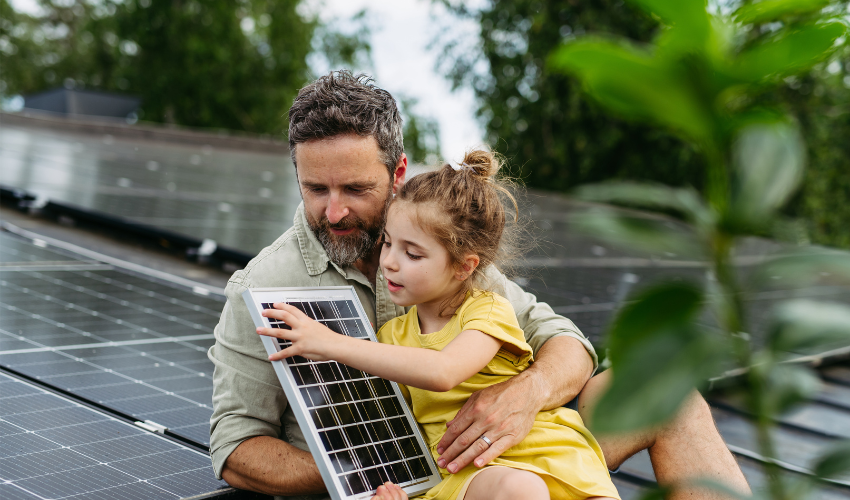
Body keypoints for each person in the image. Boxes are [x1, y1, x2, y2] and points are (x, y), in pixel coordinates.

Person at [208, 71, 751, 500]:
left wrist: (524, 395)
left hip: (507, 450)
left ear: (397, 174)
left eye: (355, 187)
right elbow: (235, 449)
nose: (334, 210)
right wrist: (375, 468)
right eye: (314, 188)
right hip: (408, 486)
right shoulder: (263, 286)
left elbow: (564, 341)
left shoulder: (438, 243)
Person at [257, 149, 621, 500]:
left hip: (547, 453)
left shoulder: (487, 310)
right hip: (469, 474)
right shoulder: (390, 338)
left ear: (464, 266)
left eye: (412, 253)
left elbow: (444, 371)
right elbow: (385, 433)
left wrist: (329, 342)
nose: (390, 262)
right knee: (519, 490)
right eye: (387, 243)